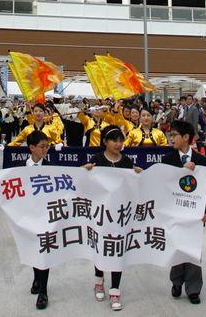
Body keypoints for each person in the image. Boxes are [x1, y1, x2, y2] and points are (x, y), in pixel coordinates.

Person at [0, 130, 53, 309]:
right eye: (42, 147)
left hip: (45, 215)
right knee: (32, 248)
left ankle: (43, 292)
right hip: (26, 215)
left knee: (44, 251)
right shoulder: (19, 167)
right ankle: (36, 278)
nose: (45, 150)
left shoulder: (51, 166)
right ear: (31, 148)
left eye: (46, 146)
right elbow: (4, 181)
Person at [84, 125, 143, 311]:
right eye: (114, 140)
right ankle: (99, 280)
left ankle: (115, 290)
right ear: (104, 142)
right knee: (100, 246)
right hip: (99, 215)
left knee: (117, 247)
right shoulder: (97, 160)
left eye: (121, 140)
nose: (118, 144)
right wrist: (85, 170)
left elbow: (134, 185)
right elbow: (82, 181)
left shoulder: (126, 161)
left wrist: (138, 174)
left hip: (119, 215)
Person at [162, 120, 206, 305]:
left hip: (195, 214)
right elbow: (164, 183)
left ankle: (193, 288)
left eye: (174, 135)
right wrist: (182, 170)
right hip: (175, 212)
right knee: (176, 247)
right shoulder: (168, 159)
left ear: (186, 138)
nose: (171, 139)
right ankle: (176, 281)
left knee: (192, 250)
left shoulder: (202, 160)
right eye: (170, 135)